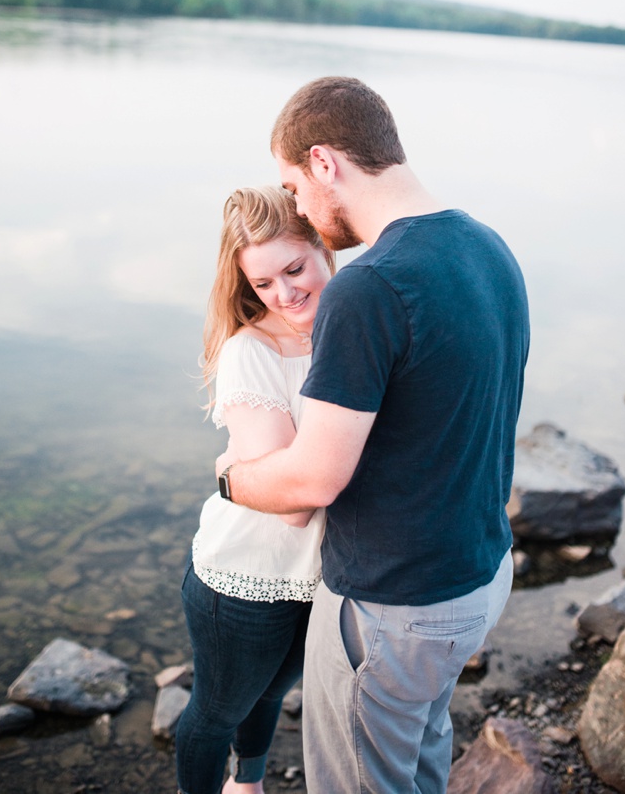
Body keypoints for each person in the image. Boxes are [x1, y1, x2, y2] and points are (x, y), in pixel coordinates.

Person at [211, 76, 529, 793]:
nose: (295, 204)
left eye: (293, 185)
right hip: (479, 579)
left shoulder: (369, 286)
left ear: (325, 162)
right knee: (417, 765)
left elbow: (313, 478)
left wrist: (230, 476)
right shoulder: (490, 248)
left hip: (394, 605)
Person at [176, 186, 334, 794]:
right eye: (264, 284)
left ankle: (248, 784)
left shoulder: (347, 329)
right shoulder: (251, 353)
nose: (285, 294)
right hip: (244, 574)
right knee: (215, 711)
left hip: (317, 575)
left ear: (323, 246)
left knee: (271, 689)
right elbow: (293, 502)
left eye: (294, 269)